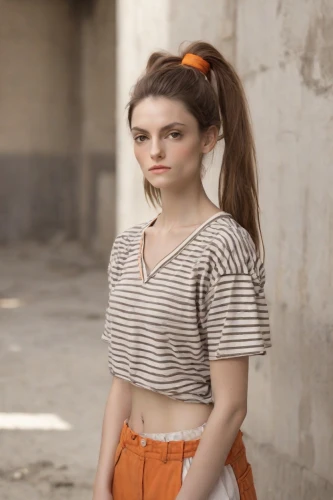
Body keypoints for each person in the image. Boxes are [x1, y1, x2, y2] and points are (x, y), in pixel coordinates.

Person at [93, 41, 272, 500]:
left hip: (196, 470)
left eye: (173, 133)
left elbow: (231, 406)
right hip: (127, 459)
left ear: (208, 138)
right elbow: (122, 381)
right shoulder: (127, 246)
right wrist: (102, 481)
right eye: (141, 136)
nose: (155, 150)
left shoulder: (224, 245)